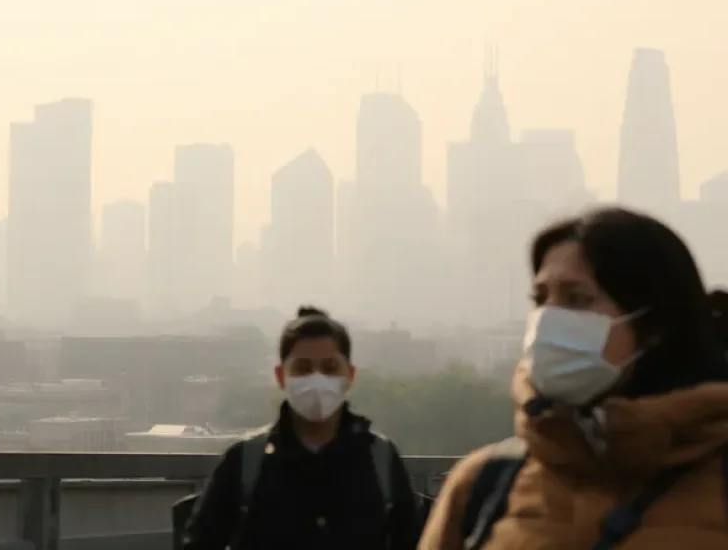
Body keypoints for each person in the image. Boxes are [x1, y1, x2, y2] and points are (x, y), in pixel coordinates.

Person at [419, 205, 728, 550]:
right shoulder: (486, 484)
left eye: (576, 299)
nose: (549, 318)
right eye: (540, 299)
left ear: (654, 325)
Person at [183, 305, 421, 550]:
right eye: (303, 368)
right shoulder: (245, 462)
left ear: (350, 376)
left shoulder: (380, 459)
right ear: (280, 376)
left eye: (329, 368)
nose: (317, 379)